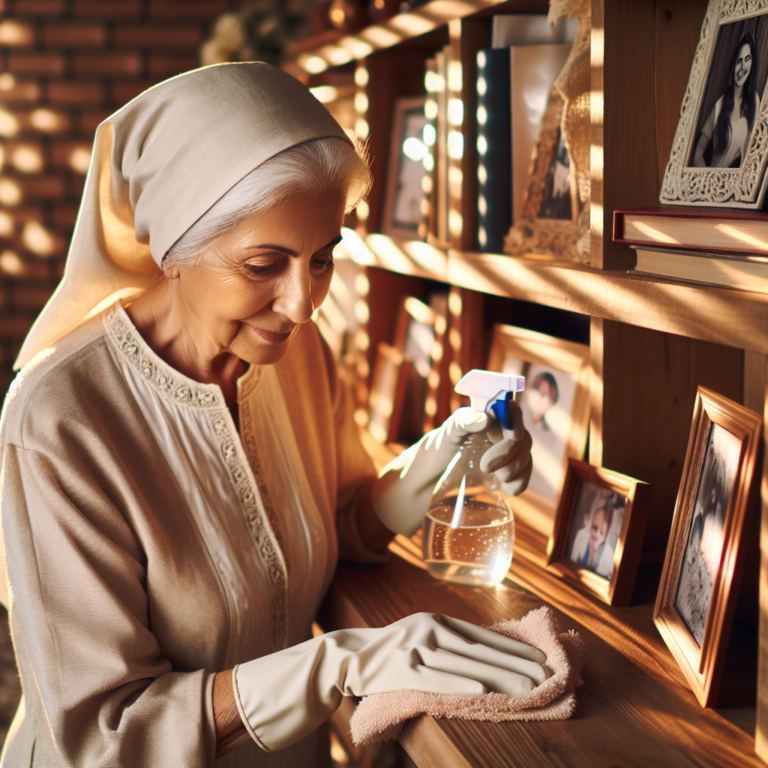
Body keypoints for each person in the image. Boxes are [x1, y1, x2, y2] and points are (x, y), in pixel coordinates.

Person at [0, 64, 541, 768]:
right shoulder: (59, 421)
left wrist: (446, 458)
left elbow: (341, 523)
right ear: (173, 252)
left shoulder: (293, 354)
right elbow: (107, 737)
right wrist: (336, 665)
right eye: (263, 265)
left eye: (322, 260)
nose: (303, 304)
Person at [692, 32, 761, 169]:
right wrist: (711, 184)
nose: (742, 67)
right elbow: (697, 155)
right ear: (733, 66)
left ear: (752, 63)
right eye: (739, 61)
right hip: (717, 187)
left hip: (742, 188)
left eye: (747, 59)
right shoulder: (719, 106)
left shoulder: (755, 100)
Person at [569, 492, 620, 578]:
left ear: (606, 535)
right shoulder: (581, 535)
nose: (596, 535)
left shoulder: (610, 556)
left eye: (601, 533)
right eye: (595, 528)